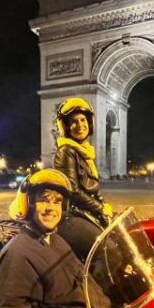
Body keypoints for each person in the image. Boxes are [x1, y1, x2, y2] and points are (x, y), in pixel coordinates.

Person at [0, 169, 110, 308]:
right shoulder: (19, 254)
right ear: (31, 205)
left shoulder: (55, 239)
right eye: (43, 200)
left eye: (57, 202)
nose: (51, 208)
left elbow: (81, 278)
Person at [53, 97, 114, 260]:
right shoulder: (66, 151)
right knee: (108, 250)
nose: (80, 125)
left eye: (83, 119)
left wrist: (104, 203)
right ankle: (90, 285)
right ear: (65, 126)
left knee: (122, 234)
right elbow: (72, 191)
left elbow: (92, 188)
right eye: (73, 121)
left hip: (85, 211)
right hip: (71, 216)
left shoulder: (84, 151)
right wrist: (100, 209)